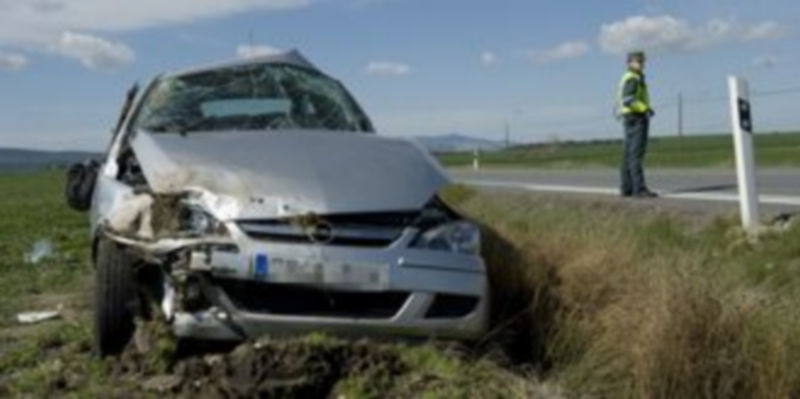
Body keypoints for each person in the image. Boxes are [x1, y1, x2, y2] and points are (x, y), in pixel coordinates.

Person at [617, 50, 657, 198]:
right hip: (636, 117)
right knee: (635, 155)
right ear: (629, 63)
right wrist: (645, 109)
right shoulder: (633, 78)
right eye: (638, 61)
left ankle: (626, 188)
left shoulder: (630, 77)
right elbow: (628, 99)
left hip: (629, 117)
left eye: (642, 61)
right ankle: (638, 189)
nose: (642, 64)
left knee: (628, 155)